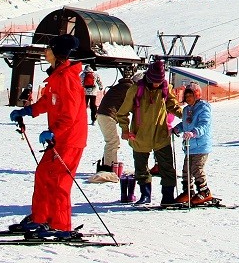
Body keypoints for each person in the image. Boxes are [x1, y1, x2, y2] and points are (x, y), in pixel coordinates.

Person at [7, 34, 89, 239]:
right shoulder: (56, 76)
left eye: (48, 48)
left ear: (57, 53)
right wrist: (28, 111)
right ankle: (41, 217)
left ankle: (61, 225)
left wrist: (55, 131)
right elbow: (47, 102)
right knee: (43, 174)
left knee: (59, 181)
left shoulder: (67, 78)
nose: (45, 52)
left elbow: (70, 113)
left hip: (70, 139)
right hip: (60, 138)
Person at [113, 60, 182, 207]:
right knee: (141, 168)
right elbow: (122, 113)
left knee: (167, 167)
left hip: (160, 135)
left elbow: (173, 105)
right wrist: (125, 130)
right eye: (155, 81)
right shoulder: (135, 89)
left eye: (160, 81)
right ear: (149, 77)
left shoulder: (165, 88)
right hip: (140, 136)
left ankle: (168, 197)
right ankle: (145, 195)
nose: (157, 84)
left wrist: (185, 115)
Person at [90, 70, 135, 183]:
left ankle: (109, 164)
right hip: (107, 115)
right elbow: (131, 105)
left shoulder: (121, 86)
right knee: (112, 142)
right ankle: (109, 168)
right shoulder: (129, 88)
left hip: (103, 114)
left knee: (112, 141)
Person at [172, 83, 214, 203]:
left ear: (197, 95)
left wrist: (194, 132)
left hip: (201, 145)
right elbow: (185, 124)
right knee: (186, 170)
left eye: (191, 95)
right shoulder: (186, 110)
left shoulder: (203, 108)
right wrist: (177, 128)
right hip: (189, 146)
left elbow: (204, 124)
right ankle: (188, 192)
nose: (188, 98)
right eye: (187, 95)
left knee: (197, 168)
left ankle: (204, 191)